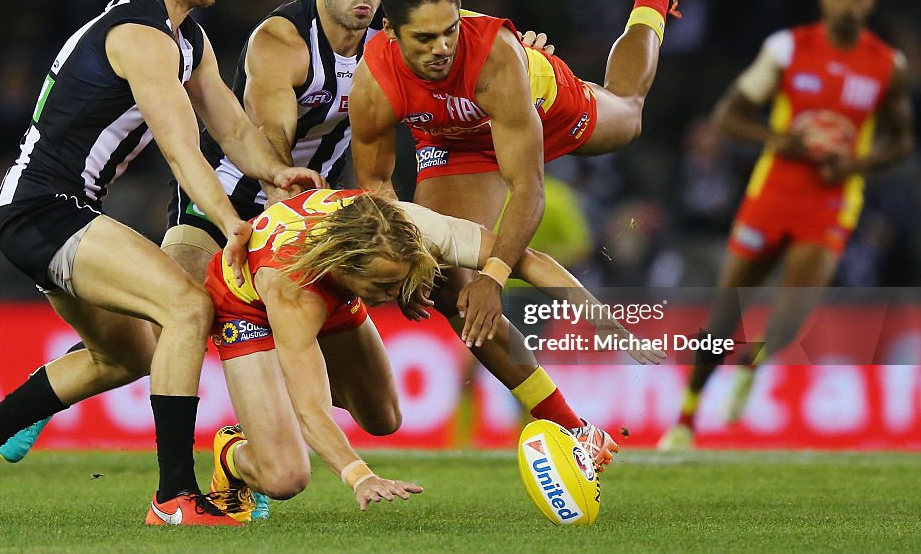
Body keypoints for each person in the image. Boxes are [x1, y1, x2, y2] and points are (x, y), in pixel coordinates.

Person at [0, 0, 634, 508]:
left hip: (320, 224)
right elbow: (267, 139)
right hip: (230, 211)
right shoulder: (281, 40)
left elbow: (454, 43)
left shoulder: (396, 40)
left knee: (383, 414)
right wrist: (284, 207)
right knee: (162, 333)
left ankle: (241, 445)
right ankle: (75, 399)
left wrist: (516, 49)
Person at [0, 0, 324, 525]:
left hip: (45, 211)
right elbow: (184, 151)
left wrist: (278, 171)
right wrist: (231, 224)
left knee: (131, 356)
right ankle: (173, 498)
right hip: (45, 209)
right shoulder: (142, 39)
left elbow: (233, 131)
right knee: (188, 306)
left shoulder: (183, 37)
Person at [349, 0, 687, 429]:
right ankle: (570, 426)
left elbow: (528, 188)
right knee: (448, 286)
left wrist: (495, 276)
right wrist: (407, 261)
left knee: (630, 114)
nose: (442, 48)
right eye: (424, 38)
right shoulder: (374, 81)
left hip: (541, 110)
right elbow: (377, 190)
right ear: (391, 32)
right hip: (452, 142)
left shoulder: (495, 55)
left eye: (450, 31)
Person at [197, 188, 629, 517]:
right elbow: (310, 407)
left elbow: (527, 260)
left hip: (332, 294)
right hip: (246, 305)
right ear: (347, 268)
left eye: (399, 282)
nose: (393, 296)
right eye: (384, 287)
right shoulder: (295, 291)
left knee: (384, 418)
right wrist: (359, 476)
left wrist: (600, 316)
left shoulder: (408, 225)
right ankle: (233, 453)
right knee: (286, 477)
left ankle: (271, 401)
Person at [657, 0, 913, 450]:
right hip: (773, 193)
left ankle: (754, 365)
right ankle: (686, 420)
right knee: (725, 314)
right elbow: (728, 115)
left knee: (791, 318)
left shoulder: (887, 66)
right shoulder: (787, 50)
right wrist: (785, 141)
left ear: (870, 0)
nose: (846, 2)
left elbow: (902, 140)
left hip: (832, 202)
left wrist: (853, 166)